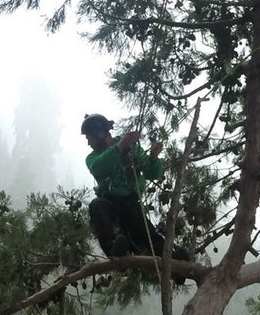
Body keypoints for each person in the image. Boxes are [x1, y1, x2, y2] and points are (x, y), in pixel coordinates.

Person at [81, 113, 189, 278]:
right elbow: (99, 167)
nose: (88, 143)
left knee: (148, 235)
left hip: (130, 202)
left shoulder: (132, 147)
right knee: (97, 206)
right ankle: (113, 252)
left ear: (100, 134)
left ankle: (175, 267)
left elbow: (152, 173)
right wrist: (120, 146)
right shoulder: (93, 158)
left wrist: (153, 159)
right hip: (110, 204)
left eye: (90, 138)